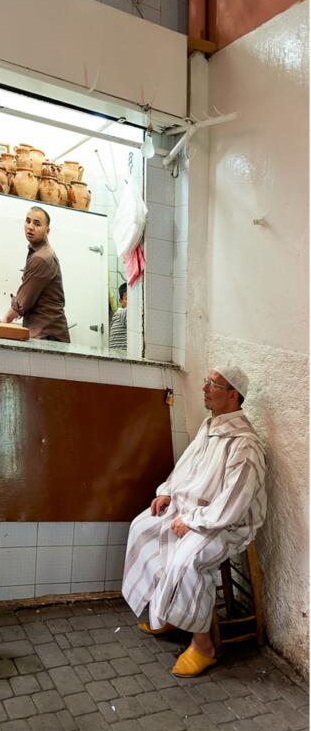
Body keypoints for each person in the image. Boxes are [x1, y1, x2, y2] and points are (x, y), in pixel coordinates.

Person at [122, 366, 266, 677]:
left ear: (232, 395)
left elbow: (233, 504)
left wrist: (193, 522)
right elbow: (187, 465)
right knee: (142, 527)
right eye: (207, 381)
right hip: (193, 510)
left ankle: (203, 646)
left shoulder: (245, 445)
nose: (204, 388)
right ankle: (168, 613)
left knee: (189, 558)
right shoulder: (210, 425)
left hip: (226, 524)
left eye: (213, 385)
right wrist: (169, 493)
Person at [2, 206, 70, 342]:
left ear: (47, 231)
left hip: (47, 337)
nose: (30, 227)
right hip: (46, 334)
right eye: (28, 221)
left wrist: (2, 323)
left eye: (37, 224)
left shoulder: (41, 258)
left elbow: (21, 303)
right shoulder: (40, 253)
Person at [109, 282, 127, 352]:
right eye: (127, 299)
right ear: (121, 301)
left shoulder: (117, 314)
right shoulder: (124, 312)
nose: (131, 303)